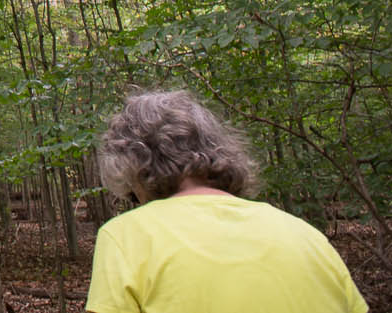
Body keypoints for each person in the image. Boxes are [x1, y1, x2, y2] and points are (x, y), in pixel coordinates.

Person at [85, 89, 368, 313]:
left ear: (132, 167)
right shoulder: (307, 236)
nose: (136, 200)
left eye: (132, 195)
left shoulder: (125, 237)